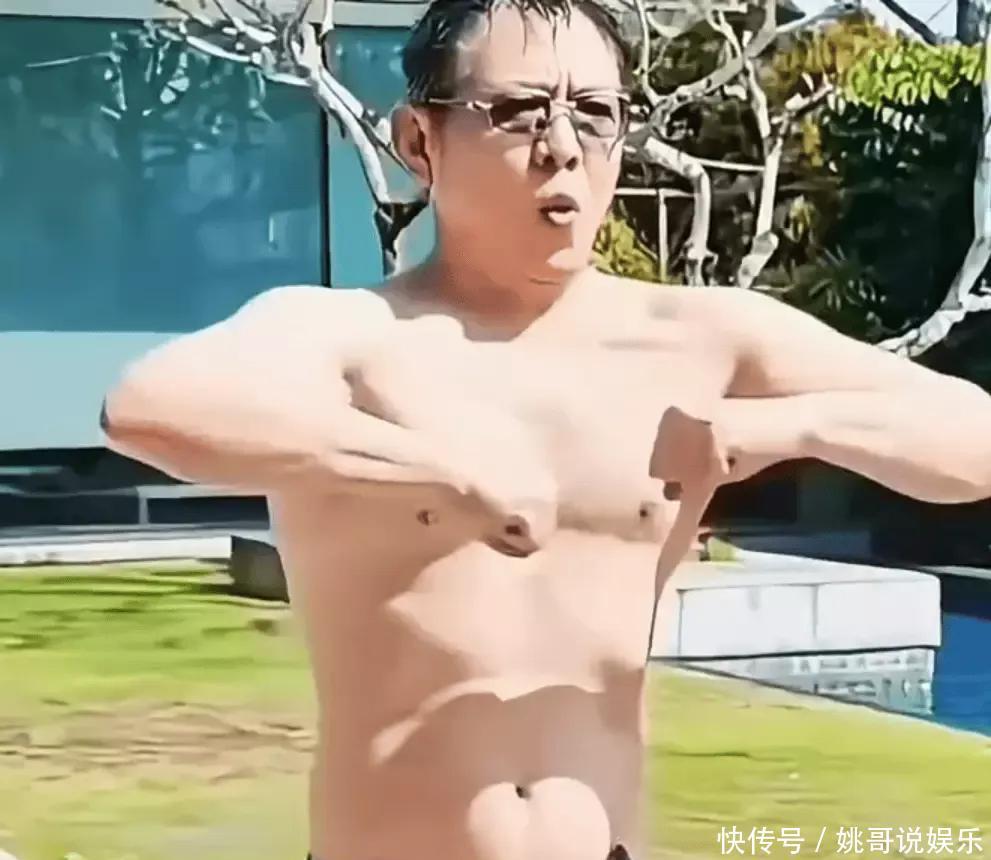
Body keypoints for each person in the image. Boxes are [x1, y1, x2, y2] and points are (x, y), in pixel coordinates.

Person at [100, 0, 991, 858]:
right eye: (518, 111)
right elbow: (152, 408)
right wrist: (442, 474)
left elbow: (973, 439)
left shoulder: (704, 338)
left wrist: (792, 425)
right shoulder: (348, 334)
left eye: (594, 114)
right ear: (419, 141)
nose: (562, 147)